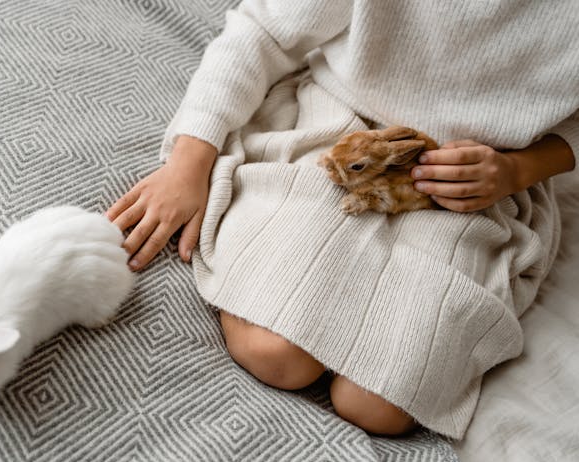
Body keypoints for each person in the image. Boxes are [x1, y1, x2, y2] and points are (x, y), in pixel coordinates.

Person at [106, 0, 578, 438]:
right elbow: (264, 31)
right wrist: (189, 161)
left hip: (478, 179)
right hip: (340, 134)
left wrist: (519, 169)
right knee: (275, 355)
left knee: (377, 406)